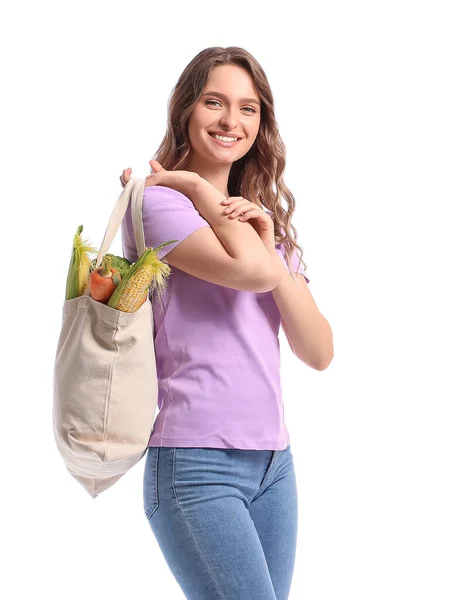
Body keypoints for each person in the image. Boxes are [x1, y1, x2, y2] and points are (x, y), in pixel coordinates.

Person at [119, 46, 333, 600]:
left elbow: (318, 349)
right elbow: (252, 274)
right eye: (214, 102)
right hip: (195, 466)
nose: (231, 121)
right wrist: (196, 188)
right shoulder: (160, 203)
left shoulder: (261, 224)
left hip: (273, 465)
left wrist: (263, 230)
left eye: (248, 108)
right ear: (187, 111)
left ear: (262, 125)